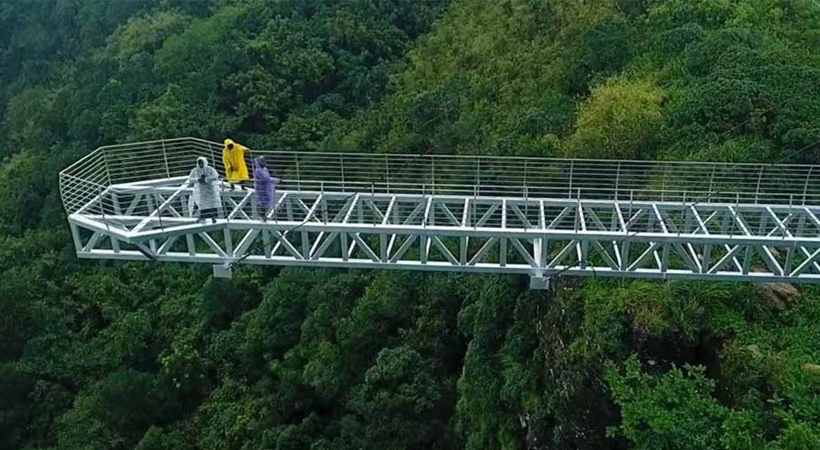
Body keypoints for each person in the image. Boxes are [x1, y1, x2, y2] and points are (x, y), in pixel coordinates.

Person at [188, 157, 221, 223]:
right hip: (201, 190)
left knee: (212, 204)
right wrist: (197, 179)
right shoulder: (195, 170)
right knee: (202, 204)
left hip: (210, 189)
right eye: (199, 163)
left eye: (202, 163)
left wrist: (207, 179)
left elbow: (216, 176)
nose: (200, 164)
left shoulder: (210, 169)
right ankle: (202, 217)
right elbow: (190, 179)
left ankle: (213, 217)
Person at [253, 156, 280, 221]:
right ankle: (262, 216)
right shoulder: (258, 170)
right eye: (262, 161)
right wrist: (276, 180)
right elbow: (266, 179)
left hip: (266, 187)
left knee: (265, 202)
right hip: (261, 188)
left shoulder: (264, 169)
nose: (264, 163)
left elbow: (267, 178)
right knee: (262, 202)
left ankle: (263, 216)